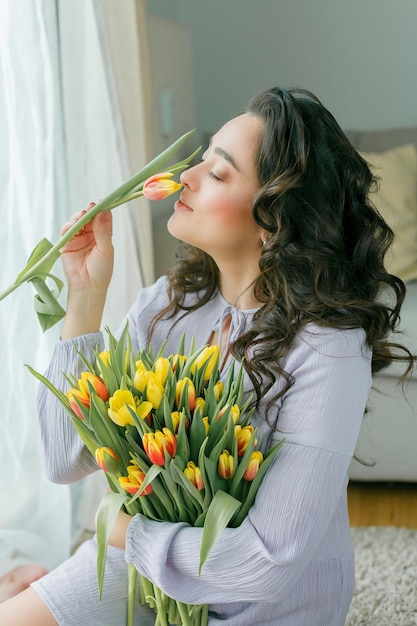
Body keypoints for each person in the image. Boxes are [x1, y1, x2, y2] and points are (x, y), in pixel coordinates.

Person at [0, 86, 413, 626]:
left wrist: (132, 533)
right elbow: (66, 460)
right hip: (150, 576)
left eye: (217, 174)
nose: (185, 177)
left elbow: (269, 562)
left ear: (275, 222)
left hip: (262, 608)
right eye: (201, 161)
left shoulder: (326, 349)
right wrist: (84, 296)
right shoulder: (168, 304)